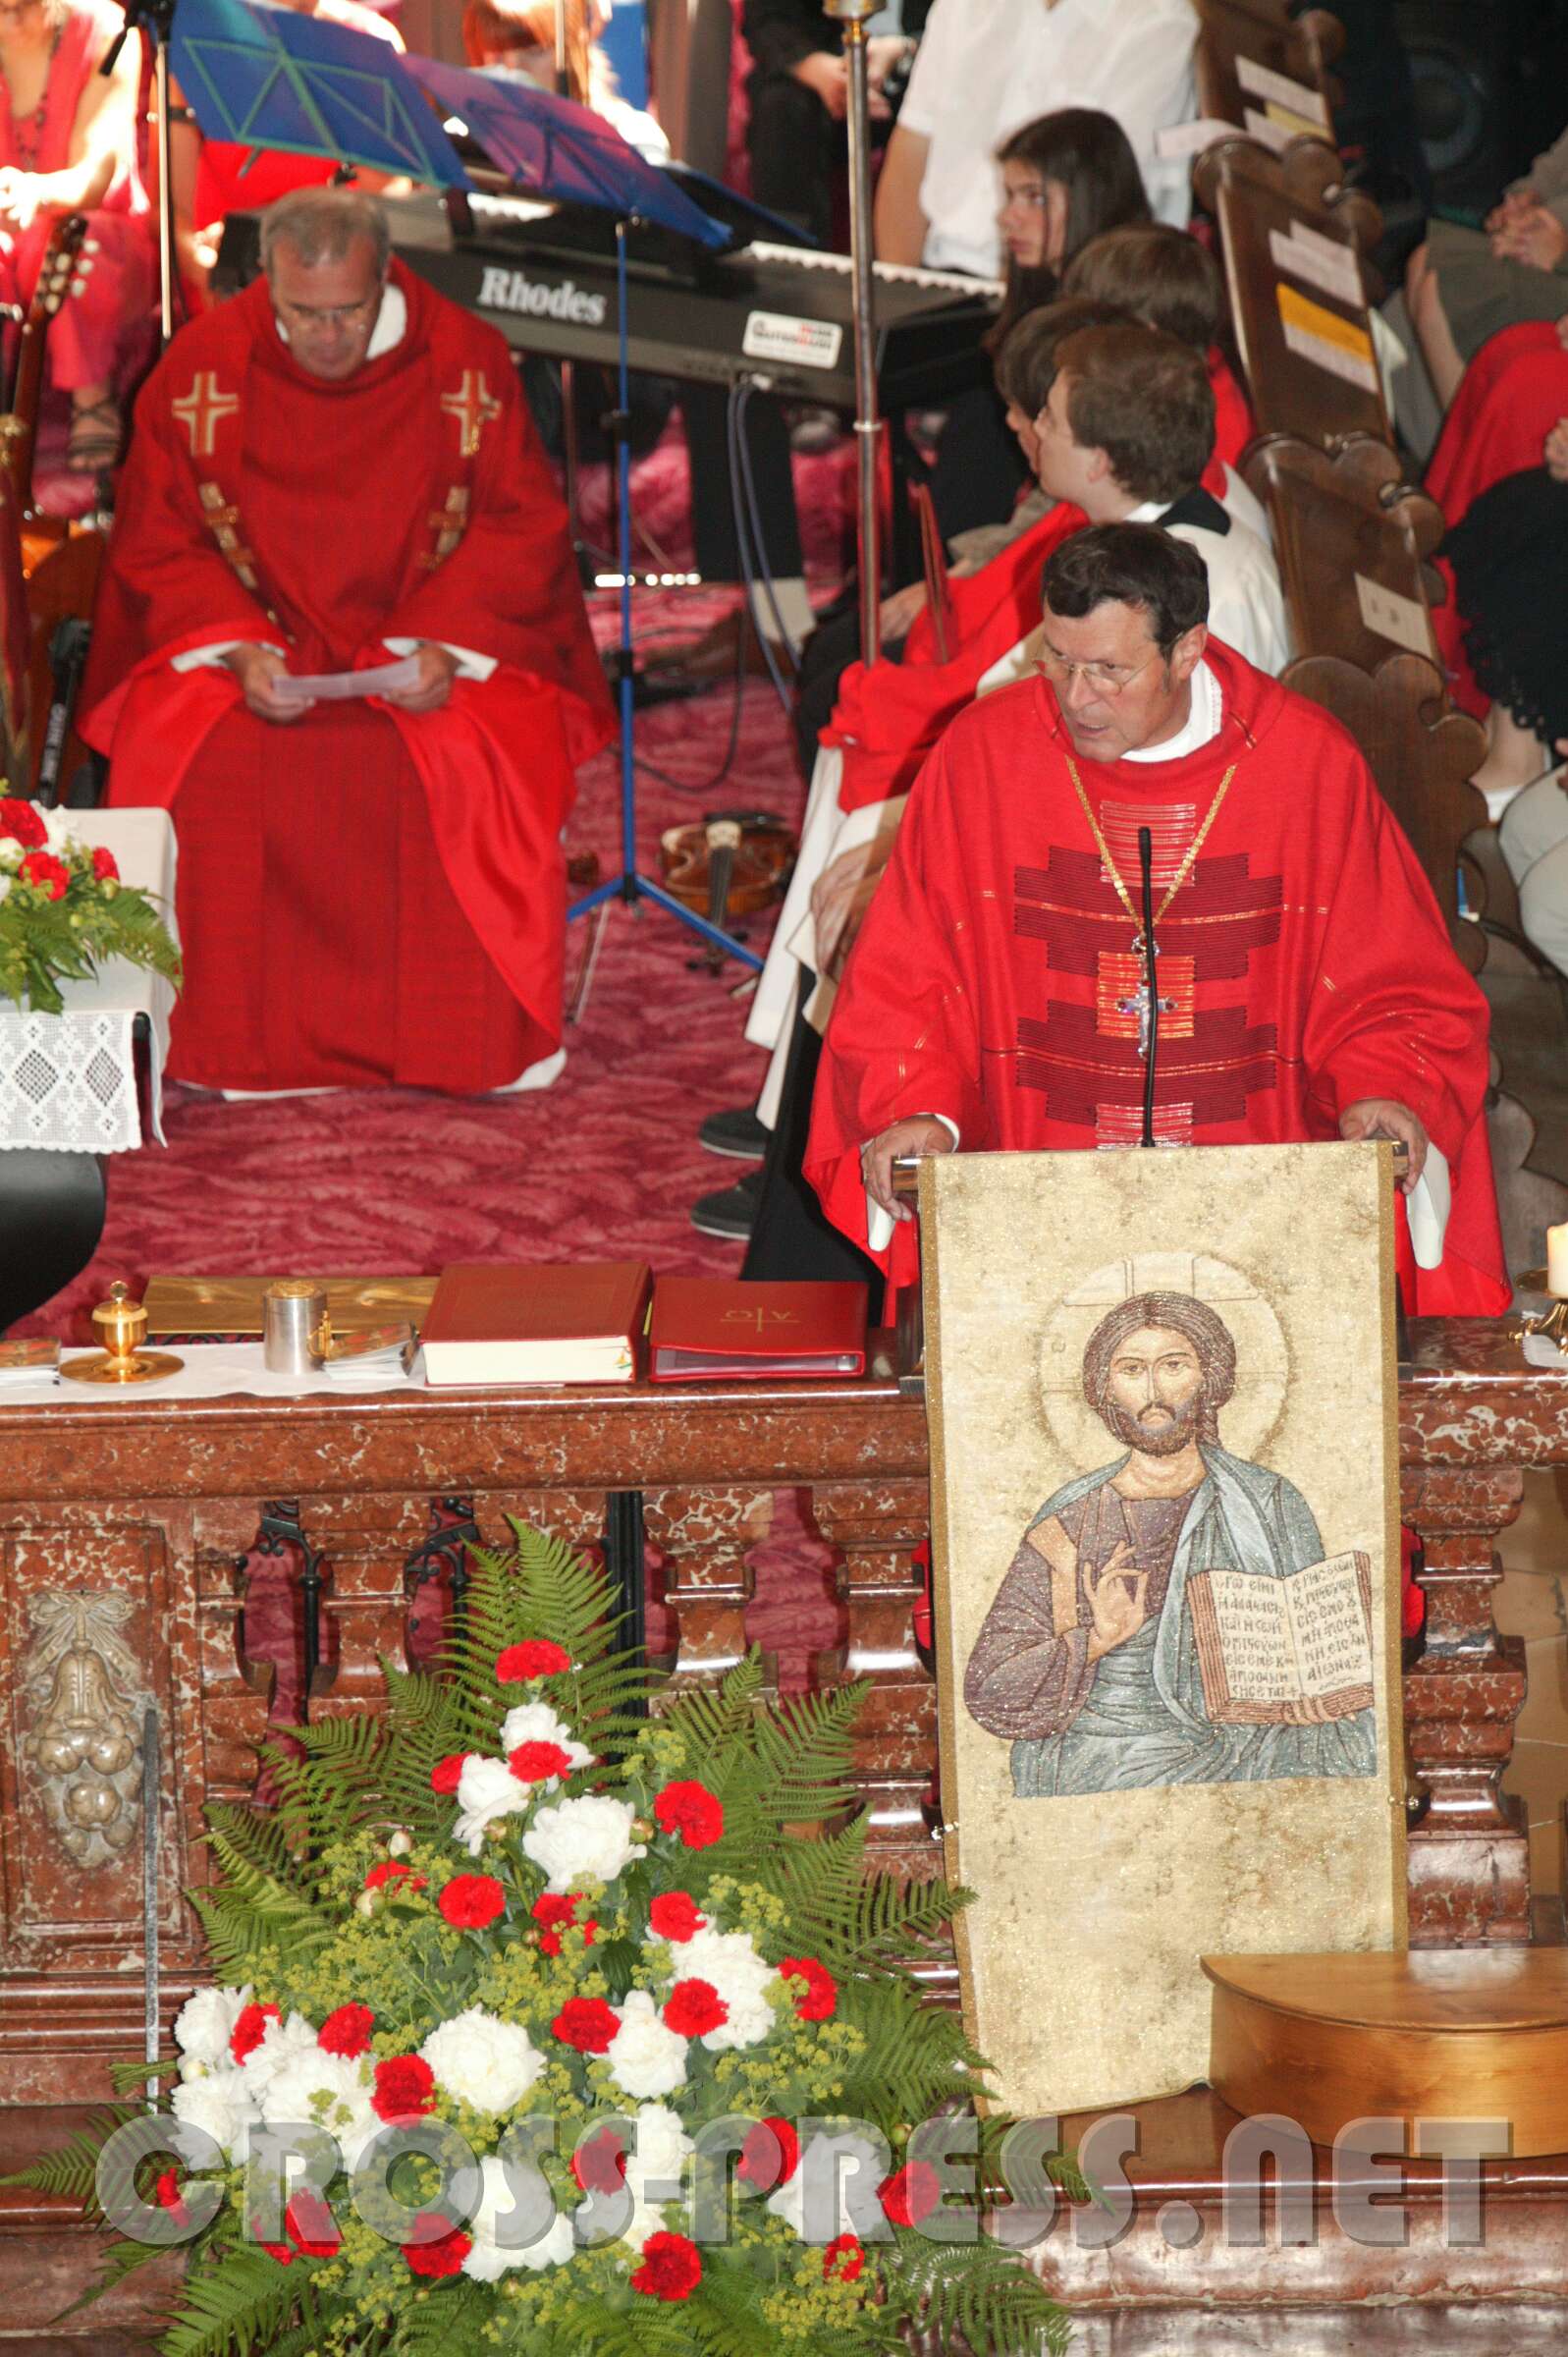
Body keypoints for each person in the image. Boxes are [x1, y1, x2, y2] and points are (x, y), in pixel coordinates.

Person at [803, 524, 1510, 1318]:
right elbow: (908, 974)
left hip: (1262, 1201)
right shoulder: (985, 757)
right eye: (1057, 660)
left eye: (1109, 670)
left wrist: (1383, 1090)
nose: (1076, 698)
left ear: (1187, 651)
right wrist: (918, 1109)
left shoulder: (1303, 766)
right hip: (1031, 1193)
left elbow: (1391, 980)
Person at [81, 188, 614, 1096]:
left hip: (428, 646)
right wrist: (237, 649)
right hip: (253, 648)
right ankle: (238, 1049)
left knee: (466, 757)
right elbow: (159, 538)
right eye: (302, 313)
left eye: (348, 312)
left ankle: (456, 1042)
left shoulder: (466, 361)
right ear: (265, 282)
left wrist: (445, 648)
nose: (327, 336)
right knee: (206, 757)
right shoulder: (204, 365)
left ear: (386, 279)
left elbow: (520, 523)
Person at [963, 1290, 1375, 1796]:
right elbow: (991, 1689)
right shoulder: (1068, 1522)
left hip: (1250, 1740)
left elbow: (1315, 1645)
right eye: (1132, 1369)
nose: (1154, 1390)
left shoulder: (1268, 1500)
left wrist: (1318, 1695)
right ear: (1105, 1387)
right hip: (1105, 1749)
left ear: (1209, 1378)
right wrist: (1096, 1640)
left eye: (1173, 1365)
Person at [874, 0, 1198, 276]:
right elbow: (910, 154)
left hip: (1064, 297)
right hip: (940, 276)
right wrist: (899, 289)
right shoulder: (964, 7)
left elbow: (1102, 207)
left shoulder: (1158, 23)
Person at [163, 0, 403, 305]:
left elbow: (388, 198)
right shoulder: (193, 42)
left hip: (334, 279)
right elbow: (170, 209)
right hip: (227, 283)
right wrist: (205, 269)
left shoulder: (368, 42)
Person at [0, 0, 150, 472]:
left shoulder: (108, 31)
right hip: (9, 241)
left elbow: (95, 175)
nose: (11, 21)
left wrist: (35, 193)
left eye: (22, 8)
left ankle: (93, 398)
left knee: (70, 239)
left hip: (99, 234)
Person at [1403, 117, 1568, 416]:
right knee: (1422, 264)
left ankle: (1477, 443)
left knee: (1441, 288)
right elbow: (1559, 159)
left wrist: (1560, 248)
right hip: (1547, 239)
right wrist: (1526, 198)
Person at [740, 0, 923, 250]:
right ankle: (790, 252)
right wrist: (817, 68)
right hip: (819, 68)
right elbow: (768, 18)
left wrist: (904, 48)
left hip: (917, 71)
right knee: (782, 105)